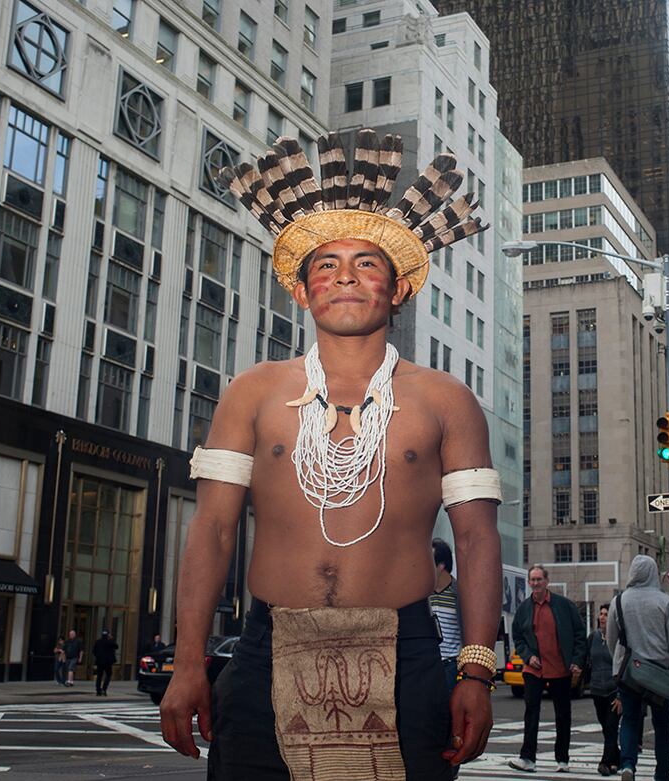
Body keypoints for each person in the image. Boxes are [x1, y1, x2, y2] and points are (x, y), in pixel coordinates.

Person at [160, 130, 502, 781]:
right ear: (301, 290)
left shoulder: (445, 400)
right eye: (326, 263)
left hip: (406, 659)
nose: (345, 274)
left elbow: (477, 537)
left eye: (366, 263)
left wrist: (477, 670)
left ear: (398, 288)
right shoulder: (253, 392)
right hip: (264, 654)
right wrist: (187, 663)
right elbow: (213, 528)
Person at [607, 555, 669, 781]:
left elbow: (611, 640)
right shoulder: (665, 602)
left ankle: (627, 765)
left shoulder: (619, 601)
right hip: (658, 673)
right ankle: (662, 773)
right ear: (654, 573)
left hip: (629, 674)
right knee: (662, 724)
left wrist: (619, 664)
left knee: (630, 720)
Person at [508, 565, 586, 773]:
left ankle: (562, 760)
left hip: (560, 668)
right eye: (532, 580)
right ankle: (527, 758)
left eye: (538, 580)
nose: (535, 583)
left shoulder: (564, 606)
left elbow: (580, 634)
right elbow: (518, 637)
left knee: (563, 714)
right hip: (534, 669)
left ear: (547, 581)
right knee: (531, 712)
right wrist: (527, 656)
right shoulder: (525, 608)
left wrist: (577, 660)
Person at [582, 604, 620, 777]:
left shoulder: (619, 639)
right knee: (606, 728)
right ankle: (616, 758)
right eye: (601, 614)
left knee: (611, 726)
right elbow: (585, 659)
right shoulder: (593, 637)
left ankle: (604, 762)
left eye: (606, 614)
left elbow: (623, 666)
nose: (603, 617)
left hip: (614, 690)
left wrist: (621, 694)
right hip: (597, 690)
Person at [429, 538, 463, 695]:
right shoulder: (424, 594)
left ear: (441, 566)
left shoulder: (459, 594)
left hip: (451, 666)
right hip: (428, 664)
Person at [93, 630, 119, 697]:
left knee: (99, 676)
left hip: (99, 661)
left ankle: (98, 690)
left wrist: (98, 656)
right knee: (108, 675)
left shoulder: (98, 642)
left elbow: (94, 651)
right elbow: (116, 646)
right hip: (108, 662)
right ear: (108, 635)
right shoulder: (110, 642)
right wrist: (111, 639)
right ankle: (104, 689)